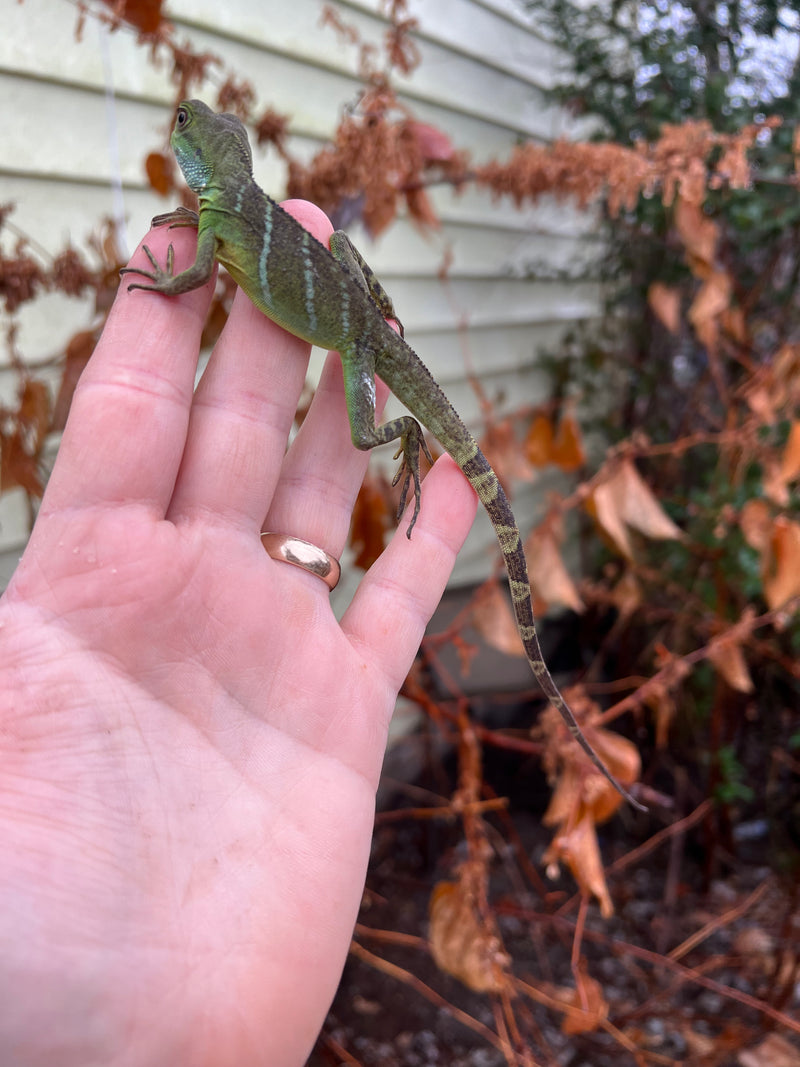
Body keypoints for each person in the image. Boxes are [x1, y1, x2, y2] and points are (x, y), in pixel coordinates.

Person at [0, 202, 477, 1066]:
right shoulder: (226, 216)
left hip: (368, 339)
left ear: (202, 156)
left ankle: (406, 434)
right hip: (360, 322)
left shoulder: (220, 226)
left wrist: (402, 409)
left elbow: (186, 277)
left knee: (372, 424)